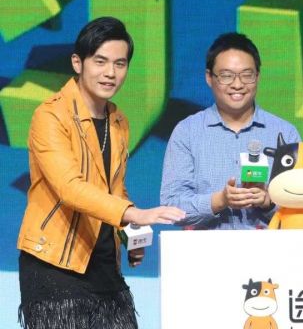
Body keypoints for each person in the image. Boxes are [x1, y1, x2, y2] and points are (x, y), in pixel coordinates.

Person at [16, 17, 186, 328]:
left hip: (105, 265)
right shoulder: (50, 115)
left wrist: (130, 233)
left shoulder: (118, 121)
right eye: (100, 61)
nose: (111, 73)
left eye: (120, 64)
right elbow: (70, 187)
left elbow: (113, 190)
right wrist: (134, 213)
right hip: (55, 263)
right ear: (77, 63)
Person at [160, 32, 300, 229]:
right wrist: (219, 201)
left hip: (268, 247)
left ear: (258, 76)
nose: (237, 84)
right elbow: (171, 206)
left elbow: (301, 206)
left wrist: (268, 202)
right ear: (209, 77)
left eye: (247, 75)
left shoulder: (285, 134)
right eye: (226, 76)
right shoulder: (187, 132)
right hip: (207, 248)